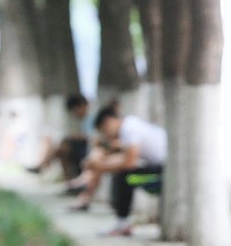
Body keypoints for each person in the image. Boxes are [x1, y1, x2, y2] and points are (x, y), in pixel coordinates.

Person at [75, 105, 167, 237]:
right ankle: (121, 221)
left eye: (104, 131)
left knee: (126, 177)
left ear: (108, 122)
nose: (107, 136)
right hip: (162, 169)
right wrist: (100, 164)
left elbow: (129, 163)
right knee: (124, 174)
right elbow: (124, 158)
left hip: (162, 176)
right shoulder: (131, 124)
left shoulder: (128, 129)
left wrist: (100, 167)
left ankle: (122, 224)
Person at [28, 94, 93, 184]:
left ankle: (43, 165)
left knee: (63, 147)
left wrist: (75, 137)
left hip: (87, 147)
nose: (75, 113)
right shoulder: (79, 120)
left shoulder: (91, 119)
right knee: (61, 150)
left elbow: (91, 137)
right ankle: (66, 180)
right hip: (78, 146)